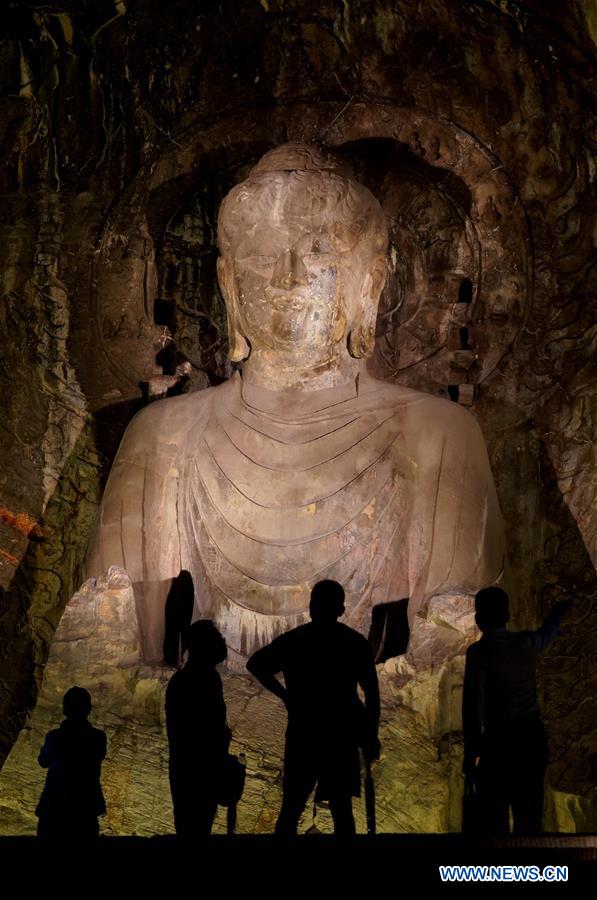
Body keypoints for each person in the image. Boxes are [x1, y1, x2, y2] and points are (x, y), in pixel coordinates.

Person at [86, 142, 504, 667]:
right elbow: (104, 654)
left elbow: (457, 660)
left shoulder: (440, 436)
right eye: (262, 256)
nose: (289, 278)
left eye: (320, 253)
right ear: (228, 284)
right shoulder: (164, 436)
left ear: (370, 284)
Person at [247, 580, 380, 836]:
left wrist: (286, 697)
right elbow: (372, 693)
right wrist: (371, 734)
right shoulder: (353, 642)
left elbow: (256, 664)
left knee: (291, 809)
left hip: (304, 731)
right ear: (341, 609)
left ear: (311, 607)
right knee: (342, 810)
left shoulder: (296, 640)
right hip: (341, 735)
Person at [462, 586, 571, 834]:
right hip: (531, 741)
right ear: (507, 616)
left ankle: (501, 870)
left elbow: (472, 705)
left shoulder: (479, 653)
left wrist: (471, 753)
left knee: (495, 821)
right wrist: (558, 611)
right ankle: (531, 869)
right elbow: (548, 632)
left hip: (498, 745)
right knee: (529, 819)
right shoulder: (526, 644)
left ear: (478, 620)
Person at [165, 619, 231, 837]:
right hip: (196, 766)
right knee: (195, 826)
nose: (222, 642)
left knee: (195, 825)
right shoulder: (197, 680)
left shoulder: (204, 677)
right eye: (216, 639)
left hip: (196, 764)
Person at [36, 686, 107, 840]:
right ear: (88, 709)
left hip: (54, 808)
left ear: (65, 709)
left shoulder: (55, 737)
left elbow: (43, 761)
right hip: (85, 808)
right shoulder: (98, 737)